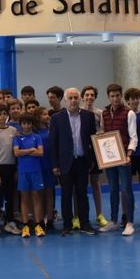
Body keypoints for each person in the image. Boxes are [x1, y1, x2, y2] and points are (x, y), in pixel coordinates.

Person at [49, 87, 98, 236]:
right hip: (65, 163)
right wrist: (55, 164)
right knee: (66, 194)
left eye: (76, 97)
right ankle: (67, 225)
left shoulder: (89, 117)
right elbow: (53, 143)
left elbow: (93, 139)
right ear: (65, 100)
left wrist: (93, 160)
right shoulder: (57, 118)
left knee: (83, 194)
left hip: (83, 161)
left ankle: (85, 223)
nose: (73, 101)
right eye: (70, 98)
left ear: (80, 99)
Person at [101, 83, 138, 236]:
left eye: (117, 95)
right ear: (108, 97)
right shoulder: (104, 113)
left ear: (121, 96)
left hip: (124, 158)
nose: (115, 98)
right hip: (110, 158)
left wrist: (129, 154)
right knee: (113, 189)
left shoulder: (129, 113)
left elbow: (133, 136)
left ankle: (129, 222)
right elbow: (103, 134)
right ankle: (114, 221)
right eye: (112, 96)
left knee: (126, 189)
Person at [0, 104, 20, 237]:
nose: (2, 116)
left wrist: (17, 169)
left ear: (8, 115)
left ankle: (10, 222)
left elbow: (16, 150)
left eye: (4, 114)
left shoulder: (13, 130)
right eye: (0, 114)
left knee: (10, 197)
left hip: (11, 167)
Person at [13, 114, 45, 238]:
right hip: (23, 171)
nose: (26, 126)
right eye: (24, 123)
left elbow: (41, 152)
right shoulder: (17, 138)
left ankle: (38, 224)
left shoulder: (37, 137)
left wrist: (24, 152)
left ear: (32, 124)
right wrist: (31, 150)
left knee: (36, 197)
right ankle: (25, 225)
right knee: (24, 198)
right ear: (21, 125)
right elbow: (16, 152)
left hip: (36, 171)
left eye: (29, 123)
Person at [81, 85, 108, 230]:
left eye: (92, 95)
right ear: (83, 97)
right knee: (80, 186)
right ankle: (79, 216)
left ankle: (99, 214)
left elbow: (103, 130)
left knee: (95, 184)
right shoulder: (77, 112)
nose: (89, 97)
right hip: (82, 153)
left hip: (95, 152)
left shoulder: (99, 113)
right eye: (87, 95)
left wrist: (100, 135)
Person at [124, 87, 140, 224]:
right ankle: (125, 215)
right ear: (127, 100)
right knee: (126, 186)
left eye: (137, 97)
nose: (135, 100)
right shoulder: (125, 114)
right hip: (128, 154)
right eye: (132, 98)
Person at [34, 106, 56, 231]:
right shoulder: (34, 132)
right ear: (37, 117)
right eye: (44, 114)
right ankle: (40, 219)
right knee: (39, 194)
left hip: (50, 165)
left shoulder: (51, 129)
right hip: (38, 166)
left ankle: (51, 219)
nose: (47, 116)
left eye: (47, 114)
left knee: (49, 193)